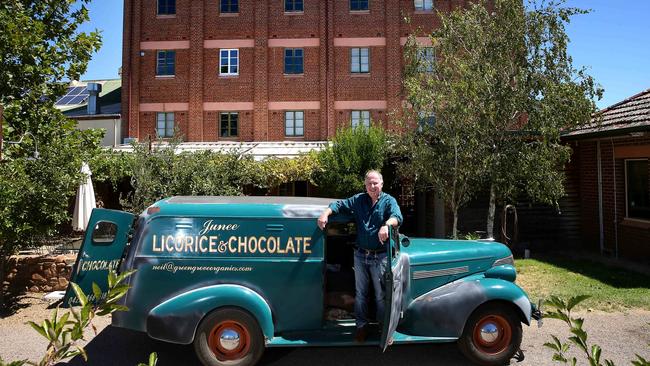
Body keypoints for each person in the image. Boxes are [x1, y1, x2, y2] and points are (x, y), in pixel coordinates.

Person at [317, 170, 403, 343]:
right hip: (360, 254)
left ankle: (383, 327)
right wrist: (325, 214)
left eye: (375, 183)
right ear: (365, 184)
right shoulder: (358, 200)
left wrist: (386, 225)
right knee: (361, 293)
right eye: (369, 183)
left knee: (381, 294)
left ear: (381, 184)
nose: (372, 186)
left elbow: (397, 217)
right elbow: (339, 205)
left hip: (380, 256)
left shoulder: (388, 201)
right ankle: (361, 327)